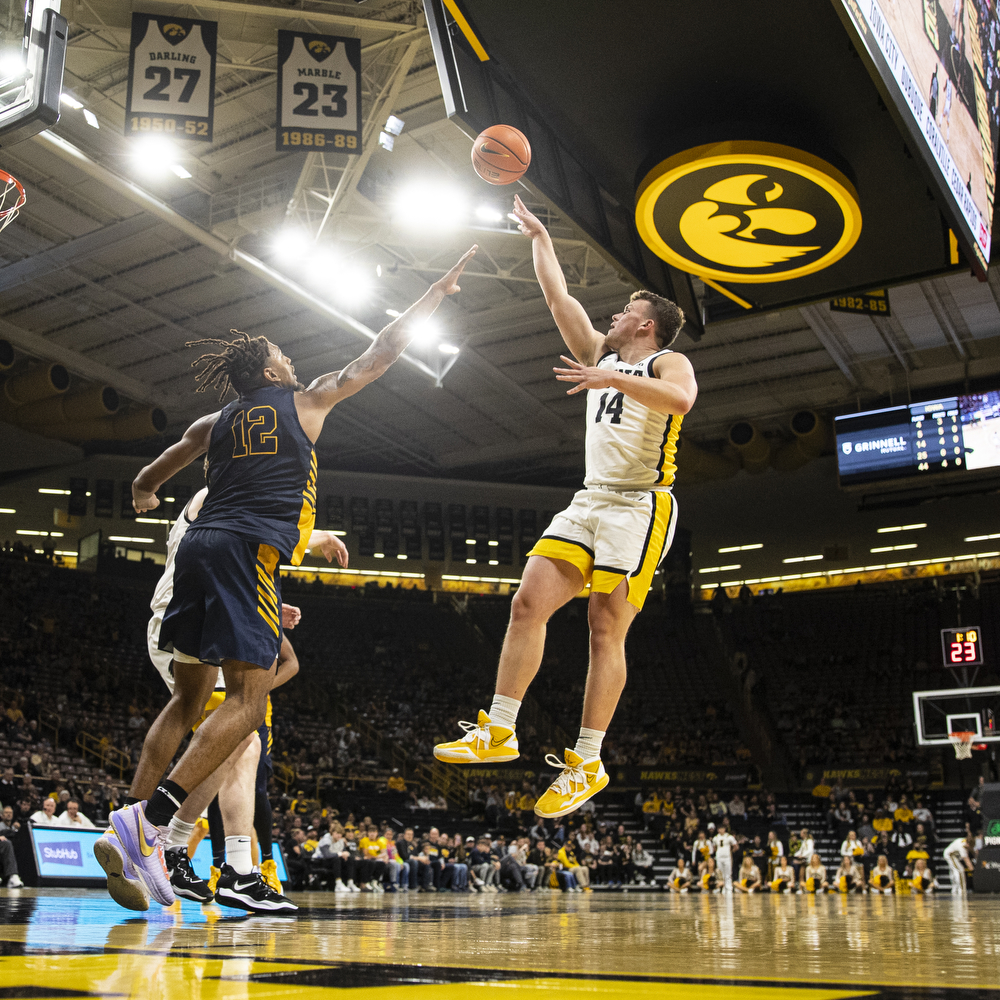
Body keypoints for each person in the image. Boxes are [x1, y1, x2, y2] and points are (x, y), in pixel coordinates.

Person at [96, 244, 479, 912]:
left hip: (198, 549)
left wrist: (142, 493)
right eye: (283, 352)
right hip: (248, 554)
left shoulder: (215, 422)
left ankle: (141, 820)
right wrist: (434, 295)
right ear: (272, 368)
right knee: (251, 700)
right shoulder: (308, 401)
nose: (291, 357)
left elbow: (155, 469)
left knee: (187, 700)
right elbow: (383, 350)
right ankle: (149, 821)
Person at [433, 195, 695, 822]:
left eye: (627, 308)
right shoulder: (602, 351)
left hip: (641, 505)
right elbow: (559, 300)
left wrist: (614, 380)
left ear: (646, 325)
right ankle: (499, 727)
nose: (615, 311)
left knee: (605, 626)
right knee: (527, 602)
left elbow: (680, 401)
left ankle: (587, 760)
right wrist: (540, 238)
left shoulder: (666, 360)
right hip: (590, 498)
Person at [144, 479, 341, 913]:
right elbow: (262, 529)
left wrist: (267, 599)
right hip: (185, 618)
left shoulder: (236, 506)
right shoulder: (218, 492)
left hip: (209, 617)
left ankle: (236, 869)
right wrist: (315, 536)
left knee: (244, 743)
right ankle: (166, 842)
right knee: (232, 736)